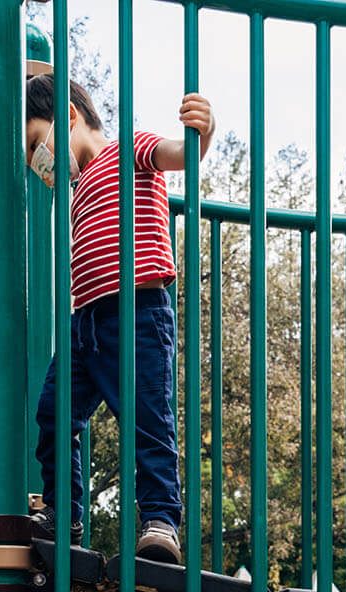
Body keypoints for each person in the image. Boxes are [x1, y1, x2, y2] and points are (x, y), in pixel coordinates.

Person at [22, 73, 215, 564]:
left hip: (136, 314)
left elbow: (182, 155)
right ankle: (62, 514)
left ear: (67, 117)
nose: (35, 161)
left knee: (148, 419)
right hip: (84, 322)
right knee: (52, 413)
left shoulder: (128, 150)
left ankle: (160, 521)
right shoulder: (76, 188)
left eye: (34, 144)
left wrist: (202, 132)